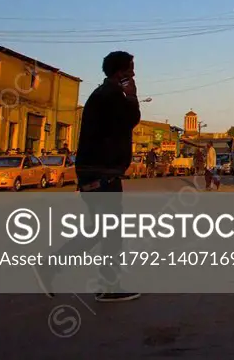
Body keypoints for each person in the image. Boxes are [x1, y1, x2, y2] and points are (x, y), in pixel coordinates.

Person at [35, 50, 141, 303]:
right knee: (110, 229)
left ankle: (54, 267)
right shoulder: (112, 96)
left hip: (97, 170)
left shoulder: (103, 95)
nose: (134, 73)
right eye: (130, 69)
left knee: (101, 229)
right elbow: (130, 120)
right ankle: (107, 285)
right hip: (101, 171)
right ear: (120, 73)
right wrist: (133, 97)